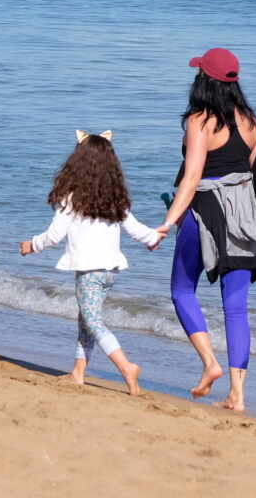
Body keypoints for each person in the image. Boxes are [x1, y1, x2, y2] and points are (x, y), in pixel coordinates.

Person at [156, 48, 256, 413]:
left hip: (204, 214)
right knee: (235, 308)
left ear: (204, 80)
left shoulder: (200, 121)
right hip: (246, 218)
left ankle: (210, 363)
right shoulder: (251, 122)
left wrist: (167, 223)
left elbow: (192, 179)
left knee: (181, 290)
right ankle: (238, 394)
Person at [19, 130, 164, 396]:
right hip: (110, 271)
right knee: (86, 320)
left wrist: (32, 245)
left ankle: (126, 367)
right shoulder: (114, 198)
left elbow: (54, 235)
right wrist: (153, 238)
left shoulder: (71, 197)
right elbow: (135, 228)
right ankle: (78, 372)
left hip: (89, 271)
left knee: (93, 321)